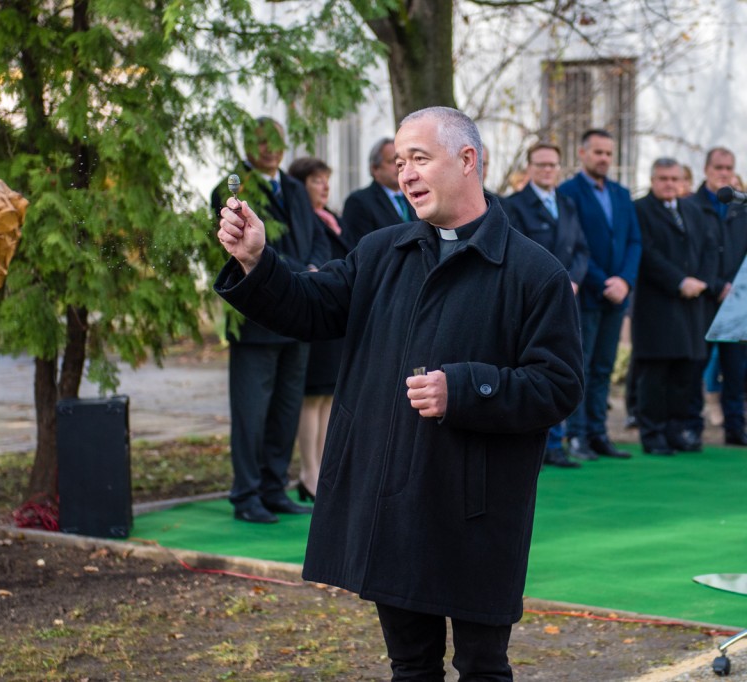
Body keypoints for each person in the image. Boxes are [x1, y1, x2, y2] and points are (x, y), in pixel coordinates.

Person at [215, 106, 583, 681]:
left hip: (478, 509)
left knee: (483, 666)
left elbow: (558, 385)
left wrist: (464, 389)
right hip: (394, 502)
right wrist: (258, 260)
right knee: (410, 666)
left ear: (467, 160)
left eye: (419, 159)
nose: (406, 173)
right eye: (399, 160)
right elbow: (311, 307)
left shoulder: (536, 272)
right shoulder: (381, 251)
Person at [210, 116, 328, 523]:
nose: (269, 149)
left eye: (276, 141)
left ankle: (274, 489)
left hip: (296, 316)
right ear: (246, 145)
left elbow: (317, 236)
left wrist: (314, 268)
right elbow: (248, 246)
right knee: (251, 414)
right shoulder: (231, 190)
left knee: (286, 409)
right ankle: (246, 496)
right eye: (260, 141)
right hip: (256, 321)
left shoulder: (294, 188)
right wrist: (301, 272)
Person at [558, 128, 641, 461]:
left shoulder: (621, 193)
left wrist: (625, 281)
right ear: (582, 154)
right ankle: (577, 435)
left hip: (618, 296)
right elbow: (575, 245)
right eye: (598, 152)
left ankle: (598, 434)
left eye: (608, 153)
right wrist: (604, 282)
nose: (604, 158)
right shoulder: (568, 192)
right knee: (583, 366)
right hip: (587, 295)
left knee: (605, 367)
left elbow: (634, 241)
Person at [503, 142, 588, 468]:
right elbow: (517, 251)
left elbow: (581, 249)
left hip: (567, 298)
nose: (547, 170)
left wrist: (573, 280)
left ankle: (559, 443)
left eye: (552, 164)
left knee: (564, 366)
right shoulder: (514, 205)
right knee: (537, 369)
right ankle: (542, 445)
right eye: (541, 164)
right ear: (529, 168)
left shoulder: (567, 204)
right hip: (533, 300)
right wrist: (553, 282)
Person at [632, 158, 717, 454]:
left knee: (684, 372)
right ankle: (652, 434)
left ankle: (675, 430)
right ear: (653, 180)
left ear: (682, 181)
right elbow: (647, 254)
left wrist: (702, 281)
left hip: (692, 306)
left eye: (674, 178)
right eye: (663, 178)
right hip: (658, 305)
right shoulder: (640, 210)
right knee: (655, 376)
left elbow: (709, 247)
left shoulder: (692, 210)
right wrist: (680, 281)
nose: (669, 184)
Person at [287, 156, 356, 502]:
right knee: (312, 397)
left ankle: (323, 469)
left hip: (337, 316)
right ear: (300, 186)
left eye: (326, 179)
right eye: (316, 180)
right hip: (314, 313)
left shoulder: (334, 219)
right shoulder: (301, 221)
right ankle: (308, 472)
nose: (325, 186)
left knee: (329, 396)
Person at [686, 147, 747, 445]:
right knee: (695, 365)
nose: (724, 173)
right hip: (702, 299)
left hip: (736, 301)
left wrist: (735, 285)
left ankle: (735, 427)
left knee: (735, 369)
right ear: (707, 170)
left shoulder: (741, 208)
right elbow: (691, 253)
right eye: (718, 167)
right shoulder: (692, 205)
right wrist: (715, 284)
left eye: (729, 168)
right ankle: (691, 427)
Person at [341, 137, 416, 244]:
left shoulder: (414, 196)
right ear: (375, 168)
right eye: (392, 161)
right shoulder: (358, 202)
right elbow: (360, 247)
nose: (398, 166)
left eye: (401, 161)